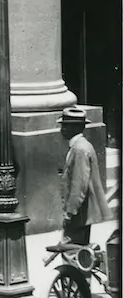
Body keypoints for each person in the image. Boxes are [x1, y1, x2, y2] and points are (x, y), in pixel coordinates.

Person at [59, 104, 108, 244]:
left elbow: (79, 184)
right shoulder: (81, 146)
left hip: (79, 214)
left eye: (65, 126)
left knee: (71, 251)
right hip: (81, 212)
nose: (62, 129)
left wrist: (70, 212)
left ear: (75, 128)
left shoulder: (79, 149)